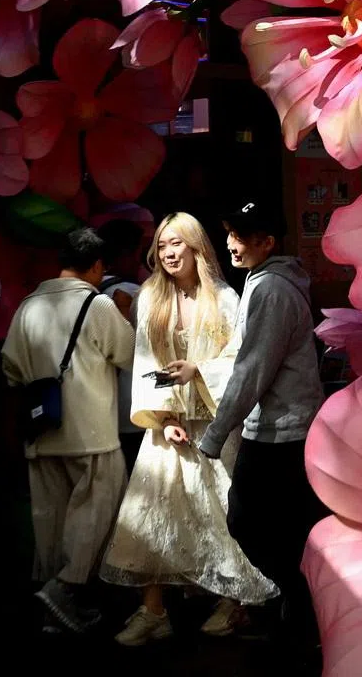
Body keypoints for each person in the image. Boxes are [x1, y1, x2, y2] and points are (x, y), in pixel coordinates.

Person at [100, 212, 277, 647]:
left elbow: (240, 360)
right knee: (152, 512)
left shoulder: (226, 298)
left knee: (217, 512)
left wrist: (199, 372)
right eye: (161, 245)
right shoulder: (151, 298)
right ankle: (153, 611)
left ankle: (232, 601)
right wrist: (163, 418)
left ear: (196, 246)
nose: (168, 253)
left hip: (215, 424)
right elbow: (146, 362)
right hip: (168, 427)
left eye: (176, 243)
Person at [197, 201, 327, 661]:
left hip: (282, 432)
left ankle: (306, 608)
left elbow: (253, 370)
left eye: (241, 235)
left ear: (267, 243)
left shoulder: (271, 288)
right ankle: (306, 612)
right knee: (284, 528)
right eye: (230, 232)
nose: (231, 243)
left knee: (248, 520)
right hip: (284, 428)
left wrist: (215, 435)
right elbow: (247, 362)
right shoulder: (268, 281)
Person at [1, 227, 135, 634]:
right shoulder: (97, 304)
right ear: (96, 266)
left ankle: (57, 611)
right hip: (90, 429)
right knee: (99, 509)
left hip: (41, 430)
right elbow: (128, 353)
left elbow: (9, 368)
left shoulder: (27, 305)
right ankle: (67, 587)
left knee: (54, 519)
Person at [96, 219, 146, 473]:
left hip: (97, 414)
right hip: (132, 410)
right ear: (126, 254)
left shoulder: (86, 296)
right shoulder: (140, 295)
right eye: (138, 254)